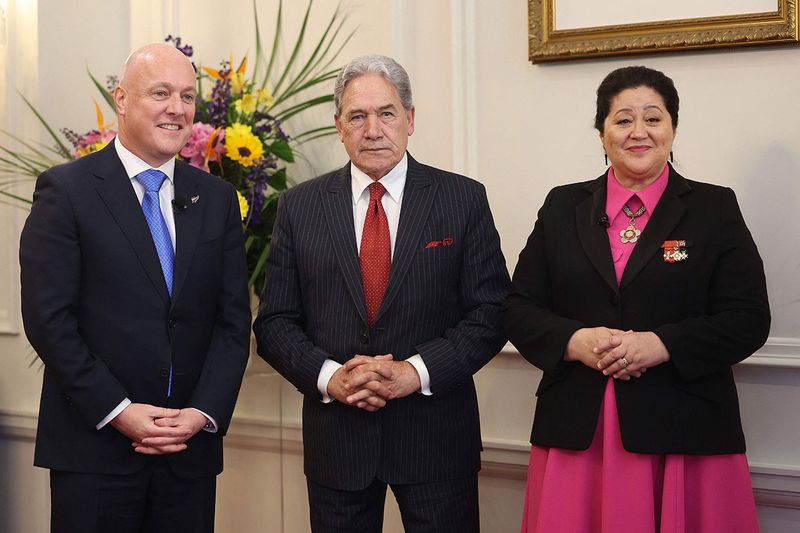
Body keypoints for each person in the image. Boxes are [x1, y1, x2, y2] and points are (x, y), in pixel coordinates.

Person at [504, 65, 770, 533]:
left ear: (672, 128)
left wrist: (662, 344)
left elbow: (748, 318)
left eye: (653, 118)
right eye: (623, 119)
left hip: (685, 430)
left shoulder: (714, 208)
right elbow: (517, 308)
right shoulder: (562, 206)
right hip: (578, 435)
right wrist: (575, 341)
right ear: (602, 132)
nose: (638, 132)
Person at [253, 54, 510, 533]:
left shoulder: (462, 199)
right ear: (339, 126)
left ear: (410, 120)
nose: (373, 129)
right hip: (338, 444)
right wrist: (331, 378)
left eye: (386, 113)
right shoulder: (298, 207)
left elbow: (491, 312)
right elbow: (274, 323)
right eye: (357, 116)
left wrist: (414, 372)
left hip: (435, 437)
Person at [19, 43, 251, 533]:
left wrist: (202, 413)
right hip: (95, 450)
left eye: (188, 96)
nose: (178, 108)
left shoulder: (216, 198)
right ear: (121, 100)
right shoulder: (66, 191)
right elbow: (49, 321)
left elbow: (232, 322)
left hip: (188, 453)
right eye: (161, 93)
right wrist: (119, 411)